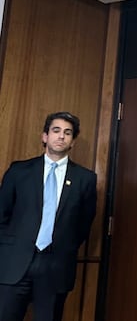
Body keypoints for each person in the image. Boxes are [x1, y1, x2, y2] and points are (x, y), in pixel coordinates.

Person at [0, 112, 98, 321]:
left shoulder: (85, 179)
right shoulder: (19, 171)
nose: (61, 136)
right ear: (45, 136)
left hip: (55, 267)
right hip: (14, 264)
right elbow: (2, 214)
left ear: (73, 141)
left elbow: (83, 224)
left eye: (67, 133)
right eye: (56, 130)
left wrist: (64, 246)